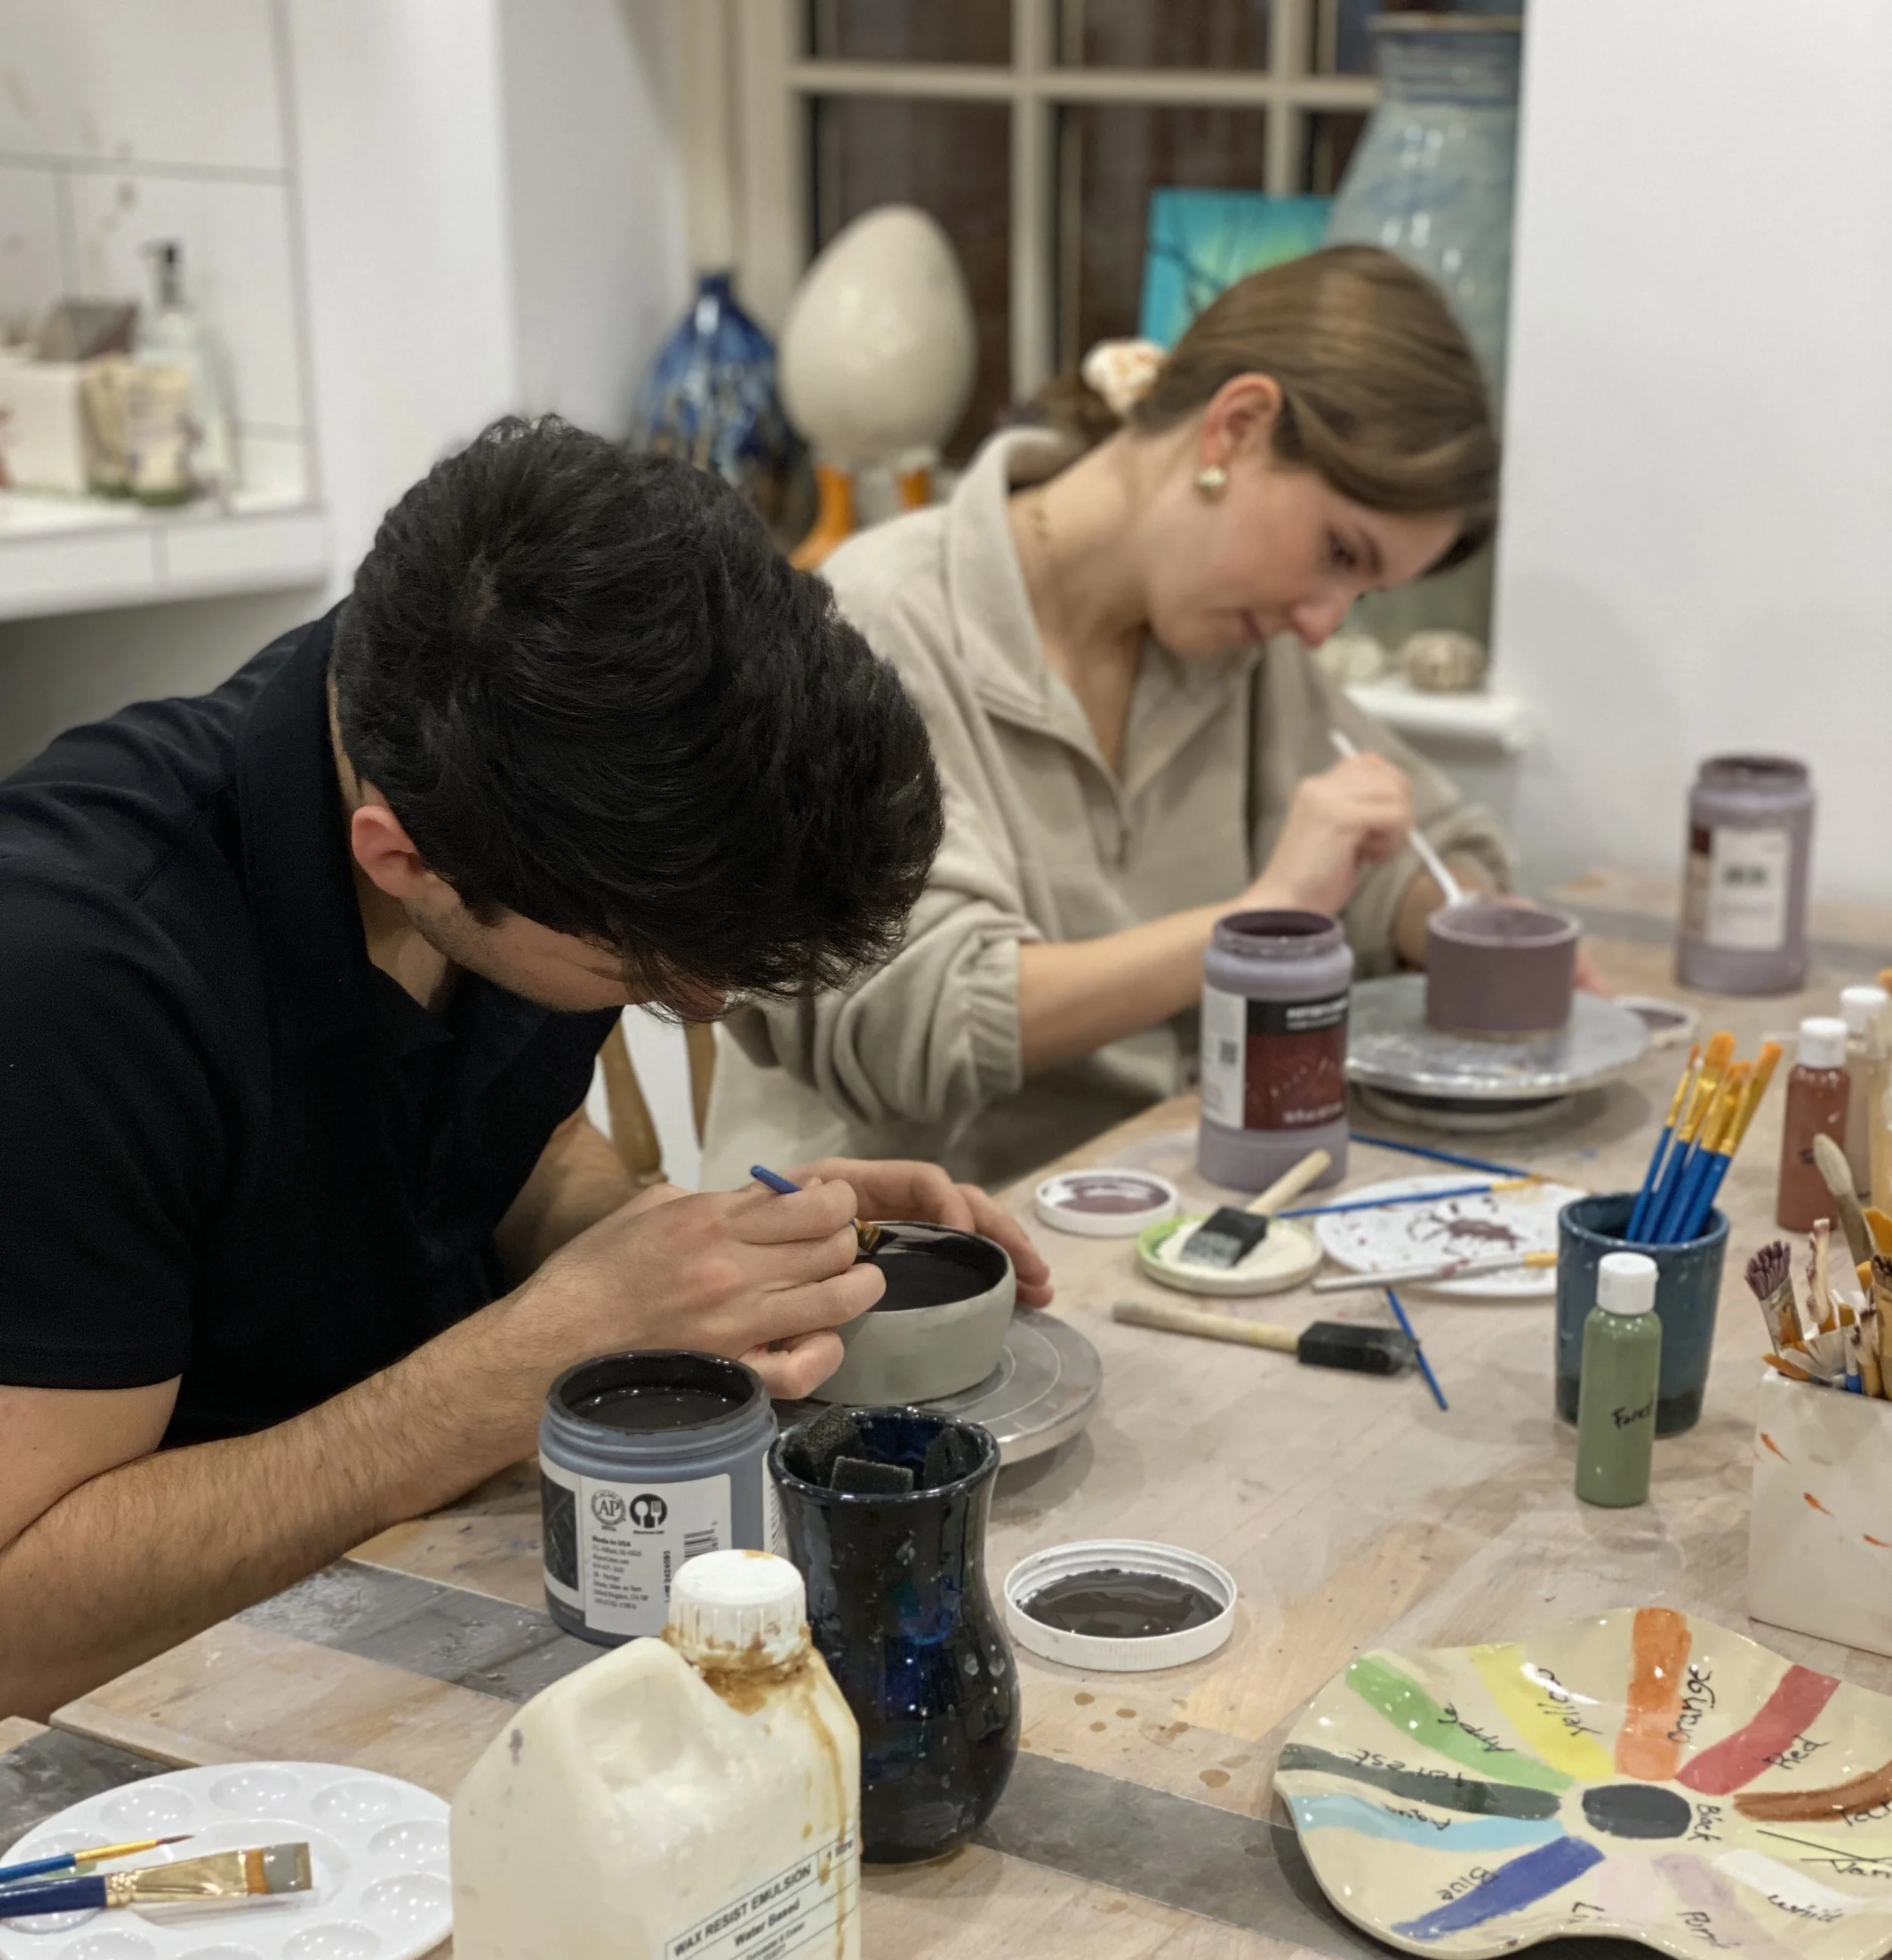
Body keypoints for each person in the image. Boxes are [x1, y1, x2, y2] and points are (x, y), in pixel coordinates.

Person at [0, 417, 1049, 1717]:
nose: (692, 1005)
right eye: (648, 976)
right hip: (160, 1748)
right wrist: (526, 1359)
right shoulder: (77, 975)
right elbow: (18, 1617)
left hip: (421, 1605)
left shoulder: (514, 758)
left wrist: (670, 1244)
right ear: (404, 861)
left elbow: (491, 1138)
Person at [703, 246, 1523, 1190]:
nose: (1322, 621)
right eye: (1339, 551)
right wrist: (1261, 919)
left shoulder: (1235, 644)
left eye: (1364, 594)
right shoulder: (877, 618)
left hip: (1147, 1208)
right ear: (1236, 428)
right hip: (887, 1263)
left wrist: (1466, 917)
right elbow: (918, 1023)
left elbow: (1411, 857)